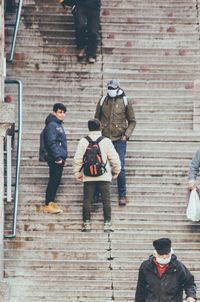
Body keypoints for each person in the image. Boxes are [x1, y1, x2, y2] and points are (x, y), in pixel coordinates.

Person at [73, 118, 121, 232]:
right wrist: (116, 171)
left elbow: (78, 159)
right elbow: (114, 158)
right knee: (106, 200)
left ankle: (86, 223)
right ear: (100, 127)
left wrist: (77, 173)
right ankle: (107, 224)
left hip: (88, 175)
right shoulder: (106, 141)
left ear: (89, 128)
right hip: (104, 175)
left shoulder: (83, 141)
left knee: (87, 200)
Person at [95, 79, 136, 206]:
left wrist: (126, 135)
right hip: (104, 139)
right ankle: (97, 193)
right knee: (100, 165)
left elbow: (132, 121)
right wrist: (97, 134)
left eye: (113, 89)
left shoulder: (125, 101)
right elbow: (96, 118)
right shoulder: (102, 101)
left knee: (121, 168)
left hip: (119, 139)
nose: (111, 91)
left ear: (118, 89)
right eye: (109, 88)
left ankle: (122, 195)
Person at [135, 238, 197, 302]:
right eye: (161, 254)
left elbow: (189, 283)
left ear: (171, 253)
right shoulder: (146, 266)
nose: (164, 257)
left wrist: (191, 296)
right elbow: (140, 289)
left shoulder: (178, 266)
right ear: (155, 254)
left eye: (167, 254)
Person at [43, 103, 68, 214]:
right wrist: (57, 157)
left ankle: (51, 202)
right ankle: (48, 203)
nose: (62, 115)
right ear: (54, 113)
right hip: (55, 158)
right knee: (53, 180)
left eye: (64, 112)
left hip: (59, 157)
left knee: (56, 180)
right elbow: (51, 142)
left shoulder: (58, 125)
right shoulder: (52, 125)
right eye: (60, 112)